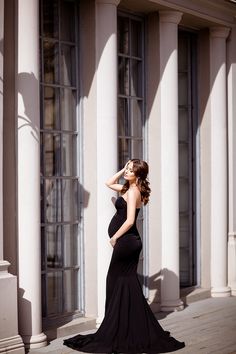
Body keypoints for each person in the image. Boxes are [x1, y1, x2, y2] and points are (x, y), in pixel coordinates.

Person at [64, 159, 185, 353]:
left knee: (117, 280)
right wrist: (124, 168)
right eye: (127, 169)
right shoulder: (127, 189)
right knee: (124, 283)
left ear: (139, 175)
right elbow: (108, 183)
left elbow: (129, 221)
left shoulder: (134, 192)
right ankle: (125, 325)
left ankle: (124, 327)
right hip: (128, 243)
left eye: (131, 170)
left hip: (127, 242)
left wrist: (114, 238)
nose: (127, 172)